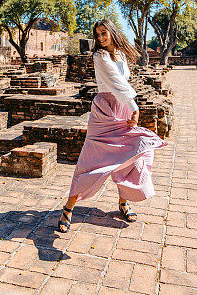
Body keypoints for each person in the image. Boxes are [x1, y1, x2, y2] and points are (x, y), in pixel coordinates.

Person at [57, 19, 167, 233]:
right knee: (89, 160)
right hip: (105, 110)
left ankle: (123, 202)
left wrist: (130, 106)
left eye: (103, 33)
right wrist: (134, 106)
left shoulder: (121, 54)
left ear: (112, 32)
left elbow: (124, 83)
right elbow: (115, 81)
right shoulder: (100, 56)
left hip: (122, 108)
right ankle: (68, 208)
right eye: (97, 34)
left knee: (131, 156)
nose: (100, 37)